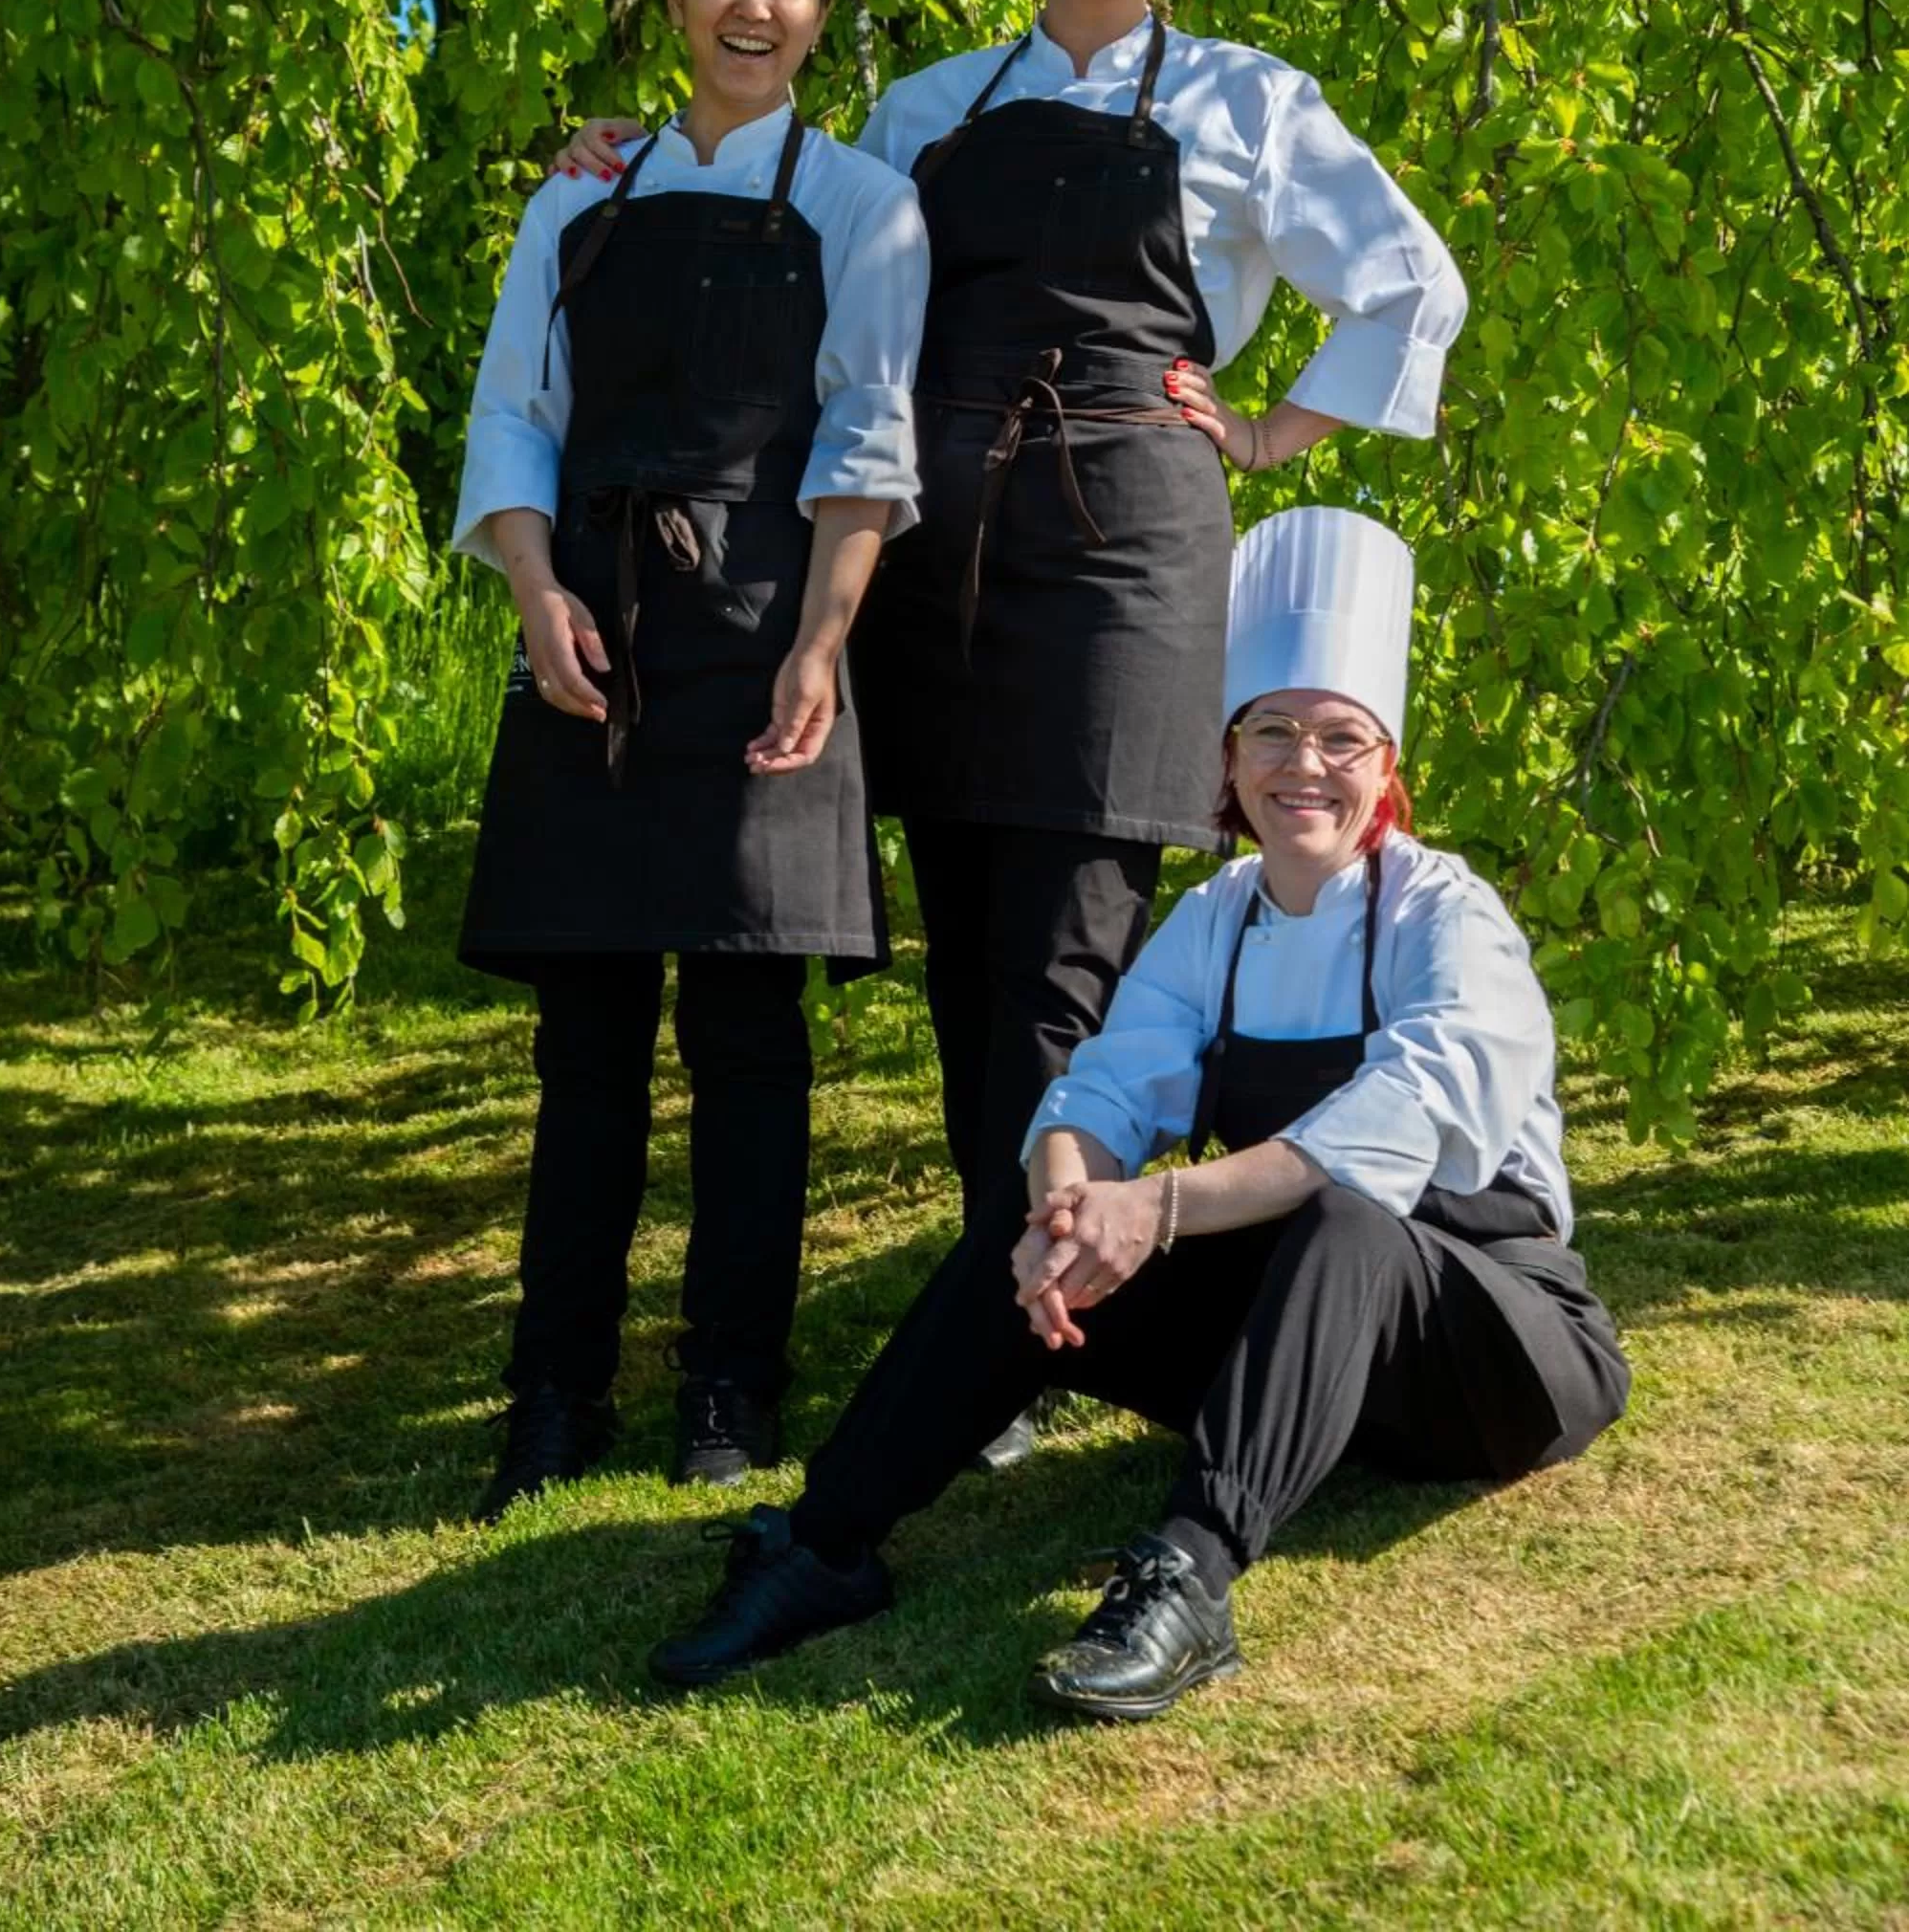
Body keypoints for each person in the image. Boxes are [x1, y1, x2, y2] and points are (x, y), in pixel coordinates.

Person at [559, 0, 1467, 1466]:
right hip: (938, 556)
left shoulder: (1245, 98)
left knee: (1070, 954)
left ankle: (1036, 1327)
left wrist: (1273, 428)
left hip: (1125, 545)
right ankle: (1025, 1293)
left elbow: (1413, 280)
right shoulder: (927, 112)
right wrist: (631, 159)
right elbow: (794, 237)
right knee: (970, 948)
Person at [647, 507, 1631, 1720]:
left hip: (1492, 1358)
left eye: (1339, 738)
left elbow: (1394, 1127)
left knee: (1348, 1221)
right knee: (1026, 1225)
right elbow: (1100, 1089)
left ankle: (1189, 1578)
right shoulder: (1215, 918)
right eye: (1271, 732)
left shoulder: (1446, 915)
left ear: (1386, 766)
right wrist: (1070, 1200)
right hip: (1301, 1361)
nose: (1301, 766)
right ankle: (822, 1544)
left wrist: (1153, 1205)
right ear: (1228, 760)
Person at [454, 0, 931, 1517]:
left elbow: (868, 443)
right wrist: (533, 591)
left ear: (819, 9)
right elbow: (515, 415)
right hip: (589, 636)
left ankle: (730, 1388)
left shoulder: (869, 204)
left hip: (759, 644)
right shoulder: (576, 195)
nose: (755, 6)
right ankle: (551, 1393)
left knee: (748, 1047)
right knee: (583, 1050)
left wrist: (821, 647)